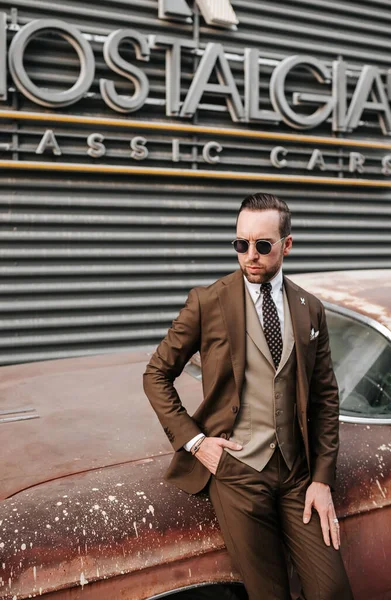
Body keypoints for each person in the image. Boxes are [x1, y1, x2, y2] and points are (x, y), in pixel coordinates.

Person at [143, 193, 354, 600]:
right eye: (241, 244)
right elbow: (156, 375)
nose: (250, 256)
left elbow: (326, 397)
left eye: (262, 245)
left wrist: (322, 480)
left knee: (333, 591)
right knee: (268, 594)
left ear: (286, 245)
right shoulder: (207, 301)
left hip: (297, 474)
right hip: (237, 472)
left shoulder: (310, 308)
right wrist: (196, 441)